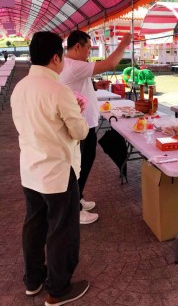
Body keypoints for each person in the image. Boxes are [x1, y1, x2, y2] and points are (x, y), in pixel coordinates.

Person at [11, 32, 90, 305]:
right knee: (61, 230)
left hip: (30, 169)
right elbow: (79, 132)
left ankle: (33, 280)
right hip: (57, 172)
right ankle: (58, 289)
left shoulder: (19, 88)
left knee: (34, 225)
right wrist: (77, 111)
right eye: (63, 57)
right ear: (56, 58)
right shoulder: (59, 91)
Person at [59, 30, 131, 224]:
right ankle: (74, 208)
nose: (89, 53)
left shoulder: (72, 65)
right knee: (78, 166)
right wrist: (124, 44)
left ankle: (78, 196)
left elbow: (78, 86)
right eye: (88, 48)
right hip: (80, 126)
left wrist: (96, 86)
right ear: (77, 47)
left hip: (85, 124)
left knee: (84, 163)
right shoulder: (75, 65)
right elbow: (110, 64)